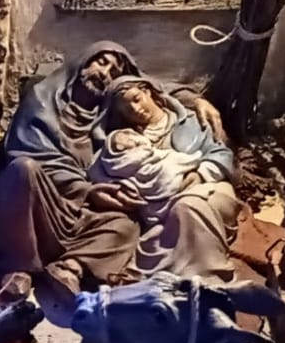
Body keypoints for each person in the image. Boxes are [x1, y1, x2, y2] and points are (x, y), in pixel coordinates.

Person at [0, 41, 231, 308]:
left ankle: (70, 268)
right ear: (83, 61)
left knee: (128, 223)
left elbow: (149, 89)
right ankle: (19, 268)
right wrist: (86, 191)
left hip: (86, 206)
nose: (105, 73)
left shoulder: (105, 111)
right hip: (45, 201)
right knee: (22, 170)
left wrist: (195, 100)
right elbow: (34, 156)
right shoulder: (42, 100)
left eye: (114, 72)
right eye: (101, 62)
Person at [94, 76, 240, 281]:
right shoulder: (127, 139)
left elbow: (222, 153)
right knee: (164, 224)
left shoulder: (191, 120)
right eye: (127, 109)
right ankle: (176, 281)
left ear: (147, 92)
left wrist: (200, 174)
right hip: (162, 205)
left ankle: (210, 274)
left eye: (136, 99)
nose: (135, 109)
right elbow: (105, 169)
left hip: (209, 186)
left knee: (188, 206)